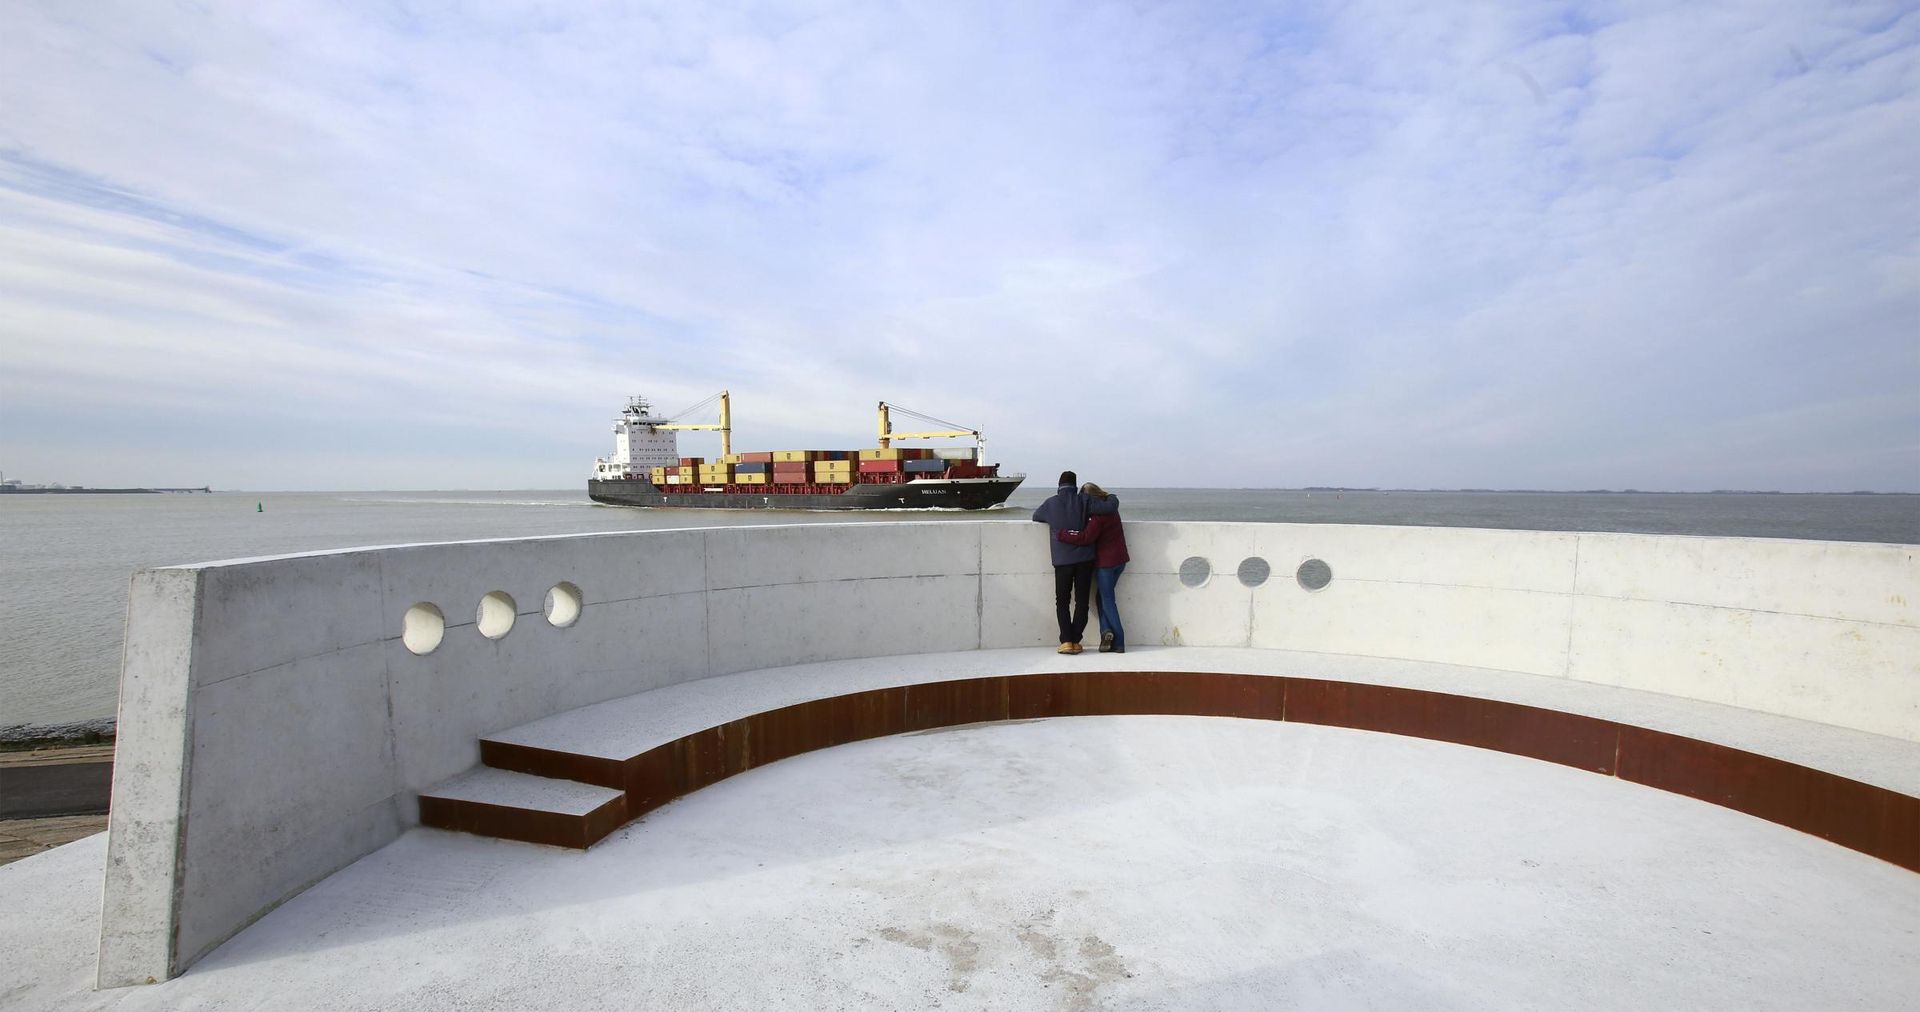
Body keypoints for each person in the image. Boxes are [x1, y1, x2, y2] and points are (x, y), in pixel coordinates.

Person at [1031, 470, 1118, 654]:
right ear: (1075, 485)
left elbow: (1036, 516)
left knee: (1062, 601)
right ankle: (1076, 640)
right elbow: (1110, 507)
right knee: (1082, 601)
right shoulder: (1084, 501)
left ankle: (1066, 641)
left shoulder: (1050, 503)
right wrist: (1110, 495)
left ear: (1059, 485)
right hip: (1085, 560)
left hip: (1062, 560)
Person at [1057, 483, 1128, 653]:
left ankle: (1119, 641)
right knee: (1101, 598)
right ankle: (1106, 632)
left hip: (1105, 564)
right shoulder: (1112, 509)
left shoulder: (1097, 517)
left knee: (1108, 601)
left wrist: (1063, 534)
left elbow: (1085, 538)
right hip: (1120, 560)